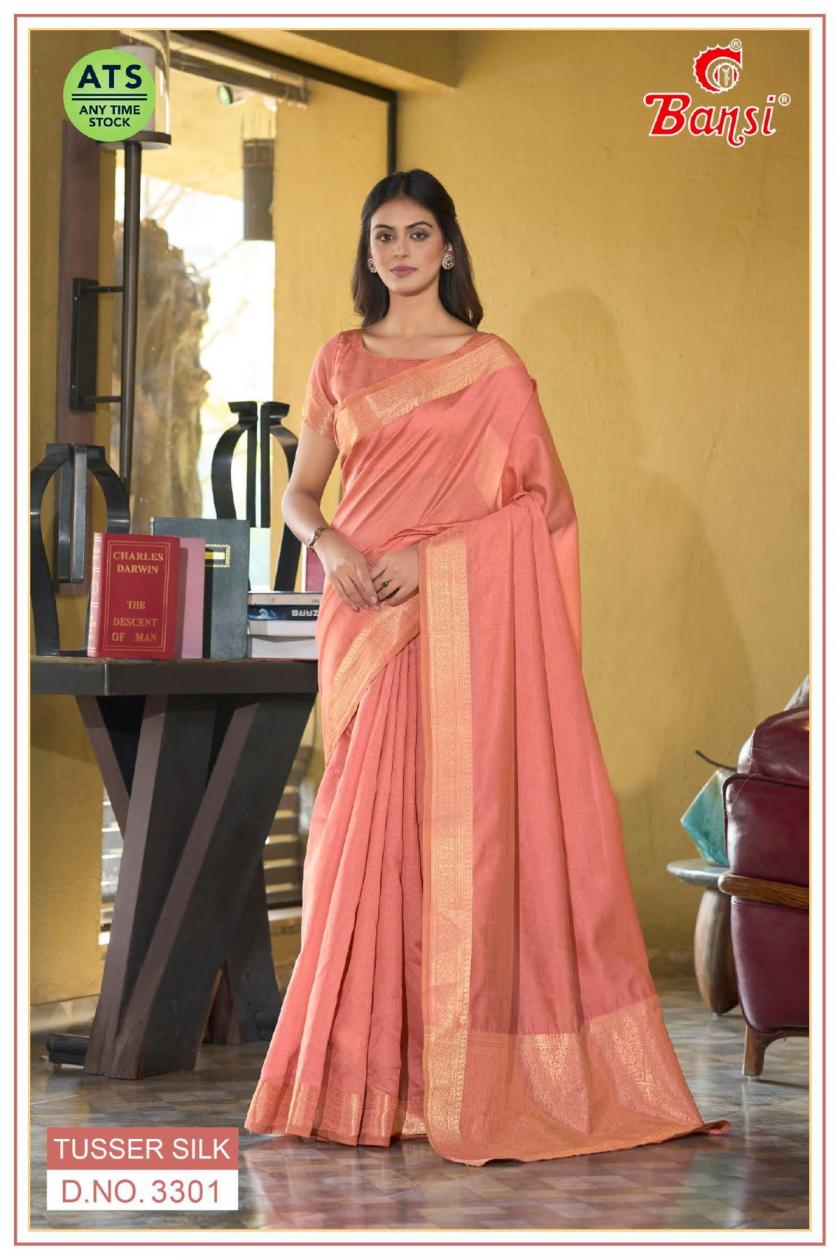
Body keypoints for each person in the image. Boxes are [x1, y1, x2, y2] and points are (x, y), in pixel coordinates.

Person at [243, 169, 731, 1167]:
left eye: (419, 234)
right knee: (359, 840)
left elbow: (542, 510)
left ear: (449, 247)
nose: (401, 252)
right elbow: (300, 492)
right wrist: (330, 545)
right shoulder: (340, 358)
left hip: (453, 616)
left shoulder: (492, 367)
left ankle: (457, 1077)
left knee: (461, 839)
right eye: (385, 235)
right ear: (368, 251)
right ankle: (360, 1077)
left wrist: (434, 563)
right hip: (362, 615)